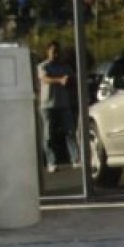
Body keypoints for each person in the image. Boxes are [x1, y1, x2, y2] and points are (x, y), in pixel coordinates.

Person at [37, 40, 79, 172]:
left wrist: (69, 79)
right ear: (48, 51)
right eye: (53, 52)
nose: (55, 55)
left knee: (70, 132)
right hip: (47, 105)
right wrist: (59, 80)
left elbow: (73, 79)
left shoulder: (65, 67)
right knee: (48, 135)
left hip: (63, 103)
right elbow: (44, 79)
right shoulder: (43, 66)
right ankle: (51, 162)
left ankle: (75, 159)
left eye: (57, 52)